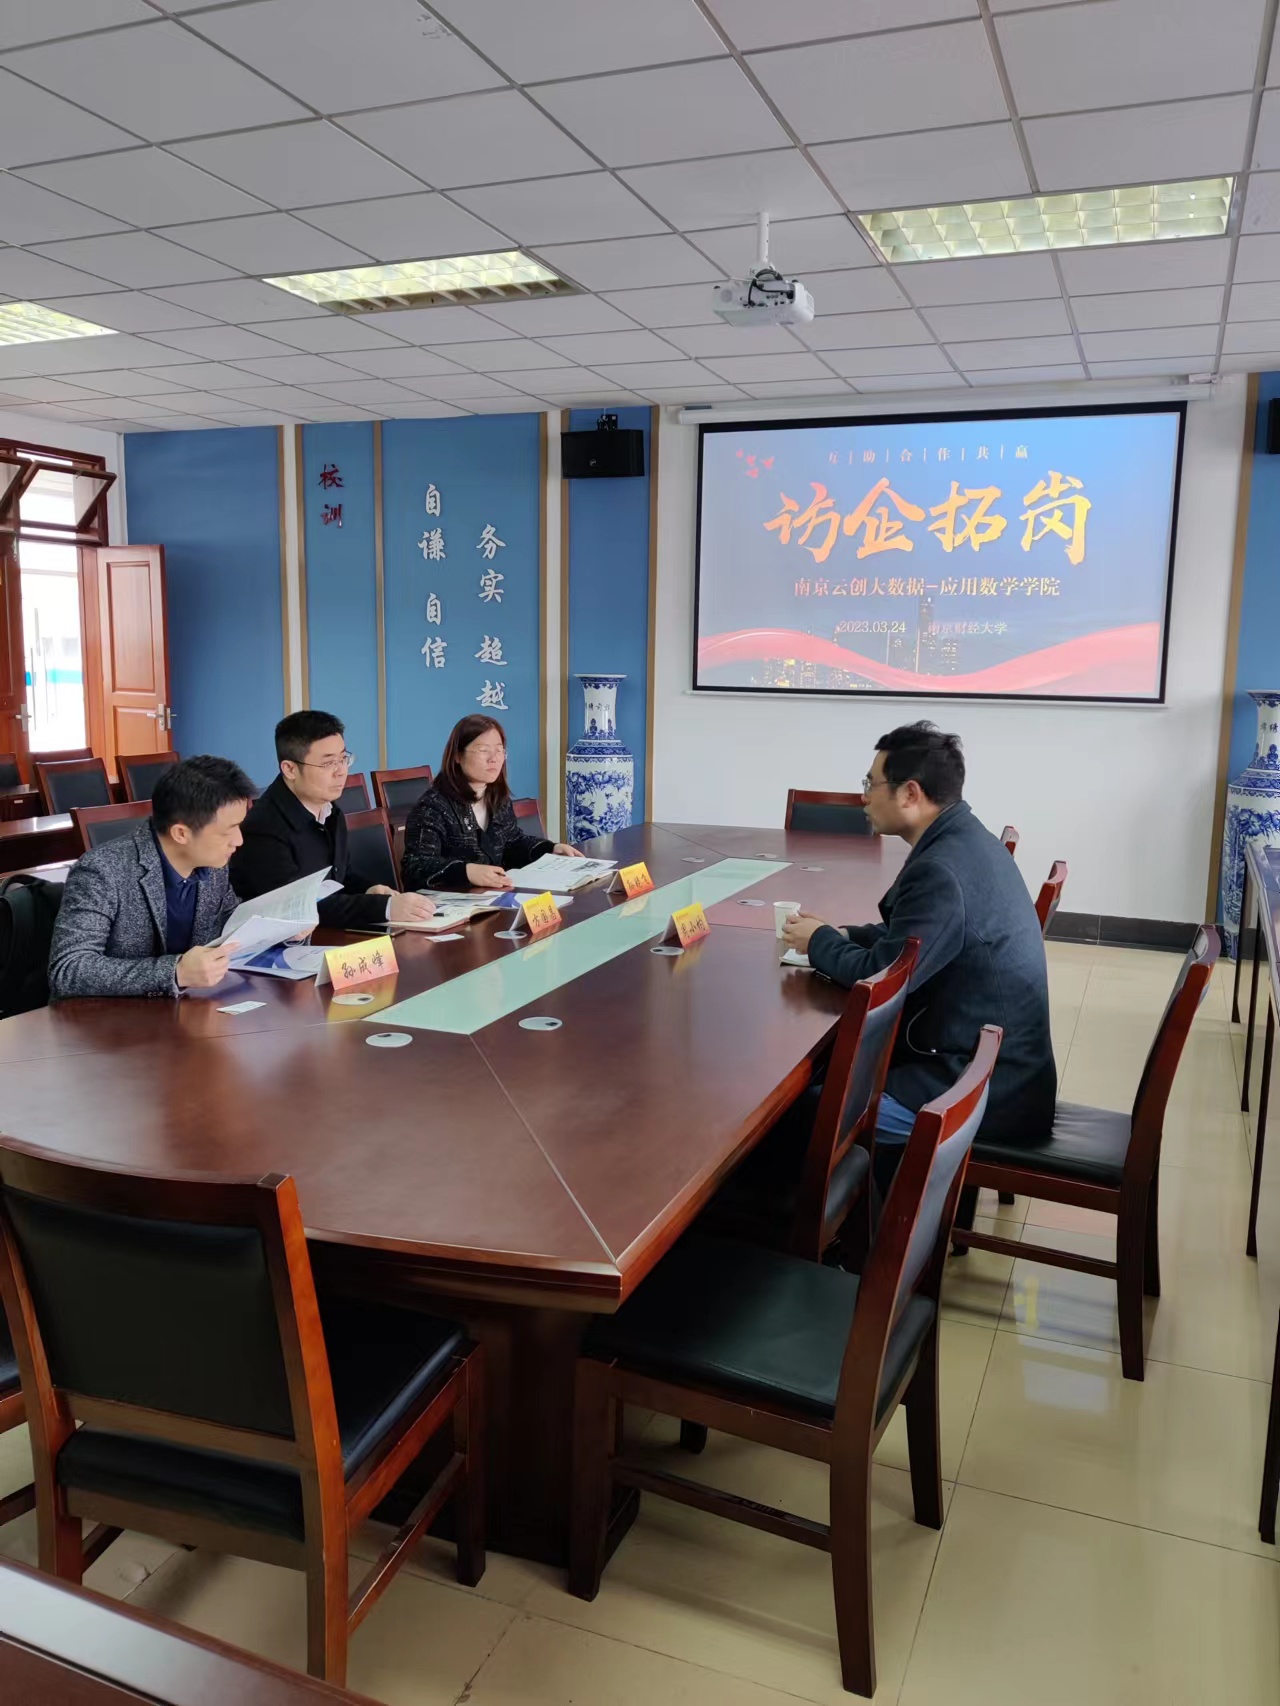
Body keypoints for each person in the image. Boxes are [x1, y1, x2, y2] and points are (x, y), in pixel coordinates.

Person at [782, 721, 1055, 1192]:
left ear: (910, 793)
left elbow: (883, 978)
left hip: (980, 1092)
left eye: (871, 784)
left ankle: (837, 1225)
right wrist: (847, 934)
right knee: (823, 1081)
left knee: (805, 1114)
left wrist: (822, 941)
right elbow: (910, 939)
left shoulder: (941, 869)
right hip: (996, 1070)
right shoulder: (965, 840)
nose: (864, 797)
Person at [48, 754, 255, 1000]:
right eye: (227, 831)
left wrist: (277, 930)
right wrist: (175, 972)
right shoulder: (101, 871)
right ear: (181, 833)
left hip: (188, 1007)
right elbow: (68, 970)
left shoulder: (212, 861)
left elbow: (227, 920)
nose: (239, 841)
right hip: (109, 1016)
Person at [230, 711, 434, 930]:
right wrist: (383, 908)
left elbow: (340, 877)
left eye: (343, 759)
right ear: (290, 769)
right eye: (328, 764)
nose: (341, 771)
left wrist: (369, 889)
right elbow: (295, 909)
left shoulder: (329, 811)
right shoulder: (263, 828)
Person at [401, 714, 582, 891]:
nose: (494, 758)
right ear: (457, 756)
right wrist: (466, 872)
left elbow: (512, 843)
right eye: (483, 750)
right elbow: (415, 868)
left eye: (499, 750)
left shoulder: (497, 799)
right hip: (453, 903)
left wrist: (549, 850)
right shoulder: (432, 807)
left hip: (494, 896)